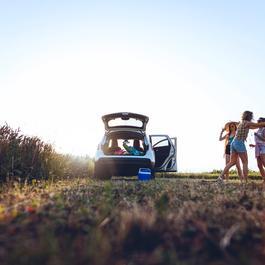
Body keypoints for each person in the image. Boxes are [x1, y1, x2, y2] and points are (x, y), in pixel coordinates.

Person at [217, 111, 265, 184]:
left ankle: (220, 177)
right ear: (249, 116)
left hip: (233, 143)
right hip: (239, 142)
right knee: (245, 162)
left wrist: (259, 125)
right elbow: (258, 125)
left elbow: (255, 126)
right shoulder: (247, 123)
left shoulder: (242, 123)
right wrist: (261, 124)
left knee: (232, 162)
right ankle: (245, 181)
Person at [249, 117, 265, 182]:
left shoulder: (264, 129)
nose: (258, 122)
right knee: (259, 165)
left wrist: (257, 135)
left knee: (264, 162)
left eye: (259, 121)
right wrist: (253, 145)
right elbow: (258, 141)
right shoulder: (258, 130)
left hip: (263, 147)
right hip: (257, 148)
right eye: (257, 121)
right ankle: (264, 179)